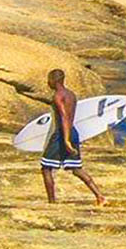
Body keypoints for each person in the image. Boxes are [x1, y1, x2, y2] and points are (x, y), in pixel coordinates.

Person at [41, 69, 105, 206]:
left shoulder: (58, 96)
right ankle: (100, 196)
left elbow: (64, 117)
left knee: (46, 168)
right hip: (73, 132)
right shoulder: (71, 94)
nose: (48, 83)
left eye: (49, 80)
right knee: (76, 169)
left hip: (62, 134)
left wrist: (66, 139)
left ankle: (51, 203)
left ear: (54, 80)